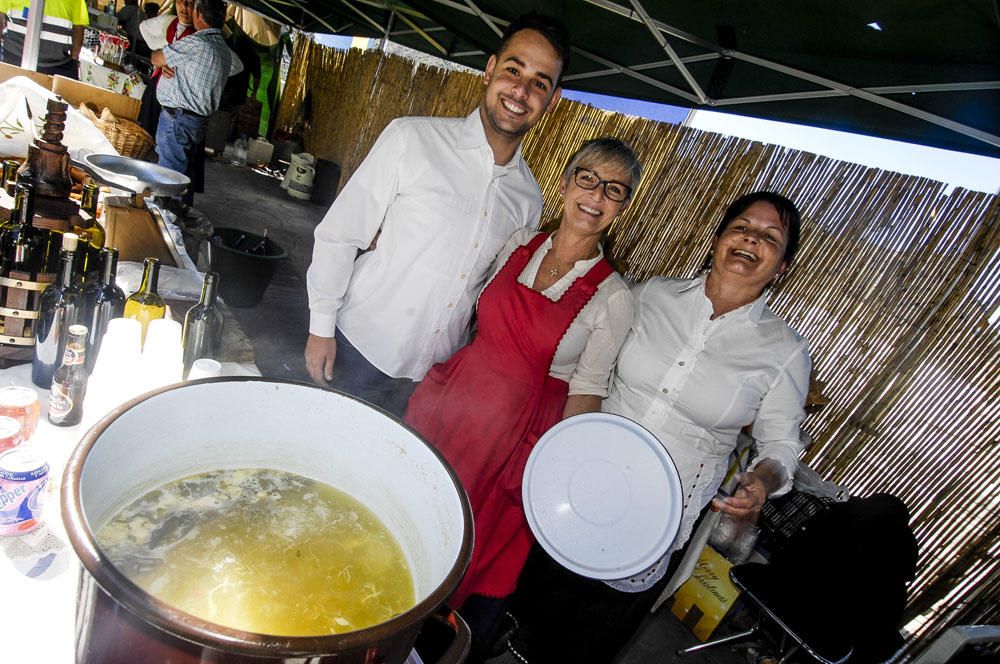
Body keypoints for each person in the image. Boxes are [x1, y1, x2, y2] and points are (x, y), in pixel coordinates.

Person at [506, 191, 812, 663]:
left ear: (783, 266)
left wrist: (763, 480)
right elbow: (590, 366)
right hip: (584, 477)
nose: (752, 239)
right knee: (523, 599)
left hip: (658, 515)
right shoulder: (652, 296)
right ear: (718, 239)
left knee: (580, 641)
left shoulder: (783, 350)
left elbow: (781, 444)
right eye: (742, 226)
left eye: (770, 237)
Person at [404, 138, 640, 661]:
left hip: (513, 435)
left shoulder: (613, 296)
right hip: (456, 401)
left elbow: (588, 391)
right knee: (409, 508)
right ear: (566, 180)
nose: (596, 195)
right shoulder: (519, 243)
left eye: (614, 189)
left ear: (623, 205)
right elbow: (473, 312)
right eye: (588, 178)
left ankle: (413, 641)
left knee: (460, 544)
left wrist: (559, 471)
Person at [304, 12, 569, 417]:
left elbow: (489, 292)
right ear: (490, 69)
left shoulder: (527, 198)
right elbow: (341, 233)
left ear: (553, 101)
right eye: (513, 69)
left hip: (433, 377)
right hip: (357, 347)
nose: (520, 90)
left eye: (539, 83)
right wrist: (320, 329)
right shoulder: (412, 138)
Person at [150, 0, 230, 208]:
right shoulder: (223, 49)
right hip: (196, 122)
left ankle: (166, 223)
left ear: (198, 14)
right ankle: (176, 218)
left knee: (168, 180)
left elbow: (157, 58)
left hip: (178, 120)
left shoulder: (197, 43)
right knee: (181, 176)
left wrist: (164, 60)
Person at [0, 0, 88, 79]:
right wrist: (74, 59)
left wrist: (74, 59)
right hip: (14, 58)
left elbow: (79, 28)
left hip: (57, 66)